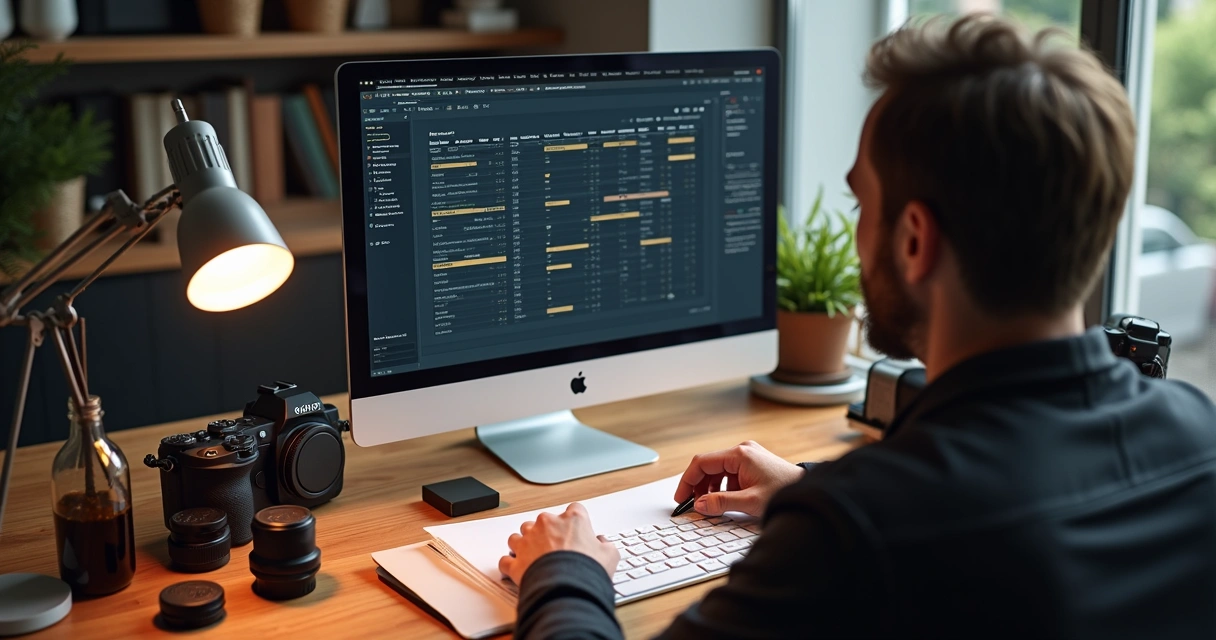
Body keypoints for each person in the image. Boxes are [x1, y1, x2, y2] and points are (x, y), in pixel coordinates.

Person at [498, 13, 1216, 639]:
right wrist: (812, 486)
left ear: (913, 240)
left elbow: (915, 522)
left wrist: (566, 573)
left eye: (858, 205)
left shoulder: (856, 538)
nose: (854, 236)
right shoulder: (1196, 435)